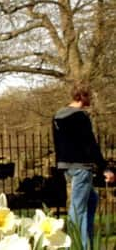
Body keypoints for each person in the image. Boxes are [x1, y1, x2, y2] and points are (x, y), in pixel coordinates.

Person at [52, 84, 115, 249]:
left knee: (91, 199)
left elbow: (58, 144)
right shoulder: (80, 117)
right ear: (82, 97)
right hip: (81, 167)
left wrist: (60, 166)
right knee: (78, 207)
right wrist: (105, 168)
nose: (91, 100)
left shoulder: (58, 116)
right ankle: (74, 245)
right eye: (89, 97)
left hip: (67, 166)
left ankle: (85, 243)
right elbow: (90, 144)